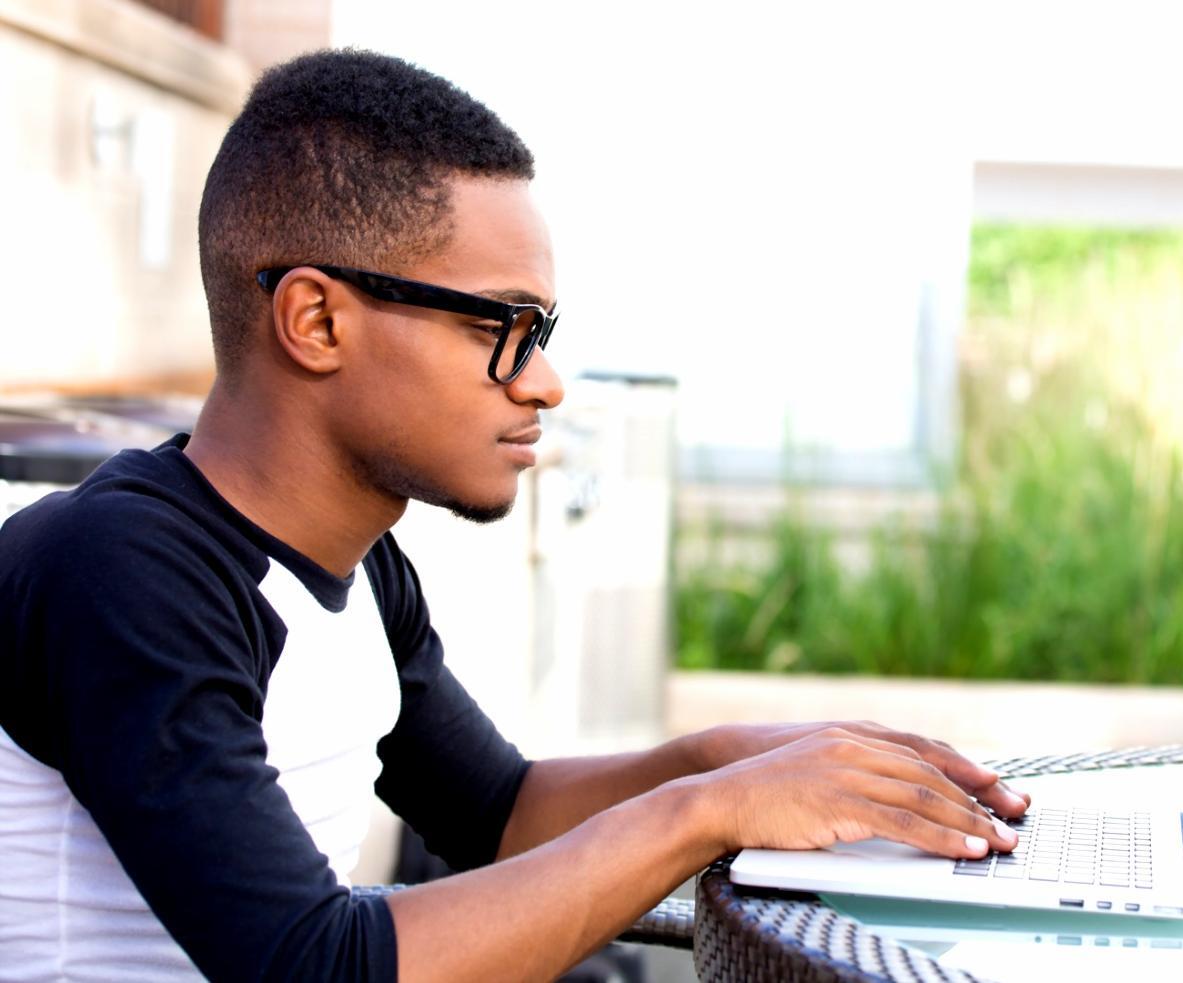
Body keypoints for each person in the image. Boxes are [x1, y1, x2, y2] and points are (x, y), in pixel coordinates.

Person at [0, 49, 1029, 982]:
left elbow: (498, 812)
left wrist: (727, 756)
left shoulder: (359, 565)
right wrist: (709, 806)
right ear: (317, 319)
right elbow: (316, 967)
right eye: (500, 326)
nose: (543, 382)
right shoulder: (121, 571)